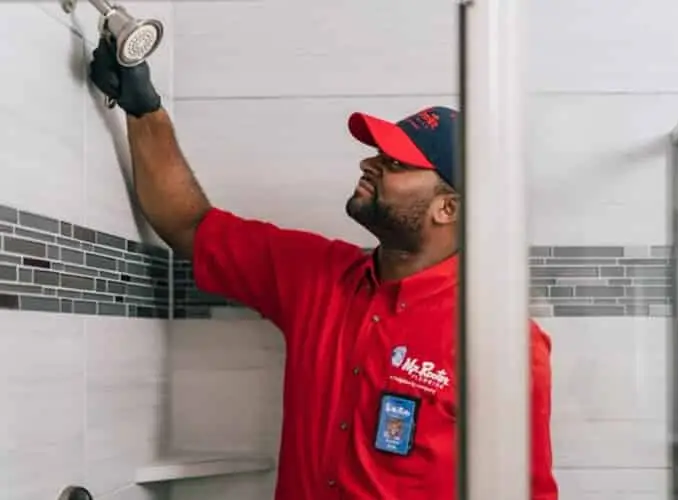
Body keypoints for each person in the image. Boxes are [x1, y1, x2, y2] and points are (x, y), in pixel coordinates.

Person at [88, 37, 559, 500]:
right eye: (377, 152)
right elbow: (189, 224)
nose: (368, 163)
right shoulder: (316, 275)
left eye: (394, 162)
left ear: (448, 208)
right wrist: (144, 110)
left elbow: (526, 490)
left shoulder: (501, 341)